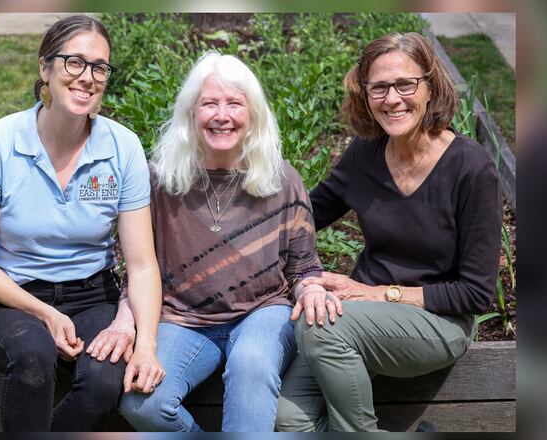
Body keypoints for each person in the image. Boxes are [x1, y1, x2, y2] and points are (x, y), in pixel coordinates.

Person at [275, 32, 502, 432]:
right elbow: (302, 218)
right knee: (289, 420)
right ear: (365, 95)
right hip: (362, 317)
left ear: (431, 86)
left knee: (321, 324)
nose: (392, 99)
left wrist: (381, 293)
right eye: (379, 87)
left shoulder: (471, 168)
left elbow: (477, 293)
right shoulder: (365, 155)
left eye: (405, 84)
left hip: (439, 321)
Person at [0, 15, 164, 432]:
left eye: (99, 67)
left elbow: (141, 264)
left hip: (92, 296)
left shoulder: (122, 148)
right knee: (34, 359)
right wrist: (44, 313)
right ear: (44, 68)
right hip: (11, 297)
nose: (87, 77)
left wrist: (145, 345)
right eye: (74, 62)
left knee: (106, 380)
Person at [117, 51, 332, 432]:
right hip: (182, 318)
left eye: (234, 103)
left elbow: (304, 267)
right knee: (141, 403)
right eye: (209, 103)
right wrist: (125, 316)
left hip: (262, 312)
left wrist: (312, 288)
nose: (222, 115)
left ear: (253, 115)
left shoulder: (282, 180)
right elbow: (136, 265)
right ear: (190, 113)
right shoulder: (160, 182)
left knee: (251, 363)